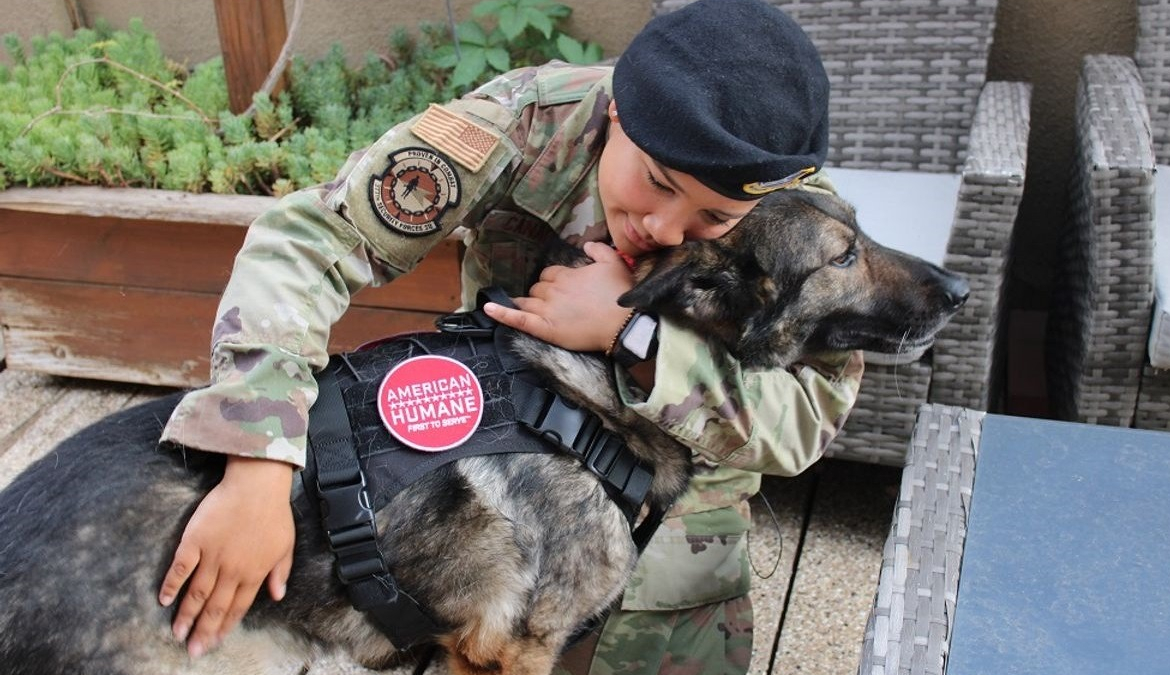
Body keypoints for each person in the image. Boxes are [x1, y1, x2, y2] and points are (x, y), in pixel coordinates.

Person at [155, 0, 864, 671]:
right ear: (619, 110)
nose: (665, 229)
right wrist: (257, 460)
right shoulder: (527, 126)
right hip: (504, 485)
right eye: (655, 180)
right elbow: (309, 239)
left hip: (676, 534)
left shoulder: (799, 215)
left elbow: (806, 421)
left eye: (712, 218)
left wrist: (633, 335)